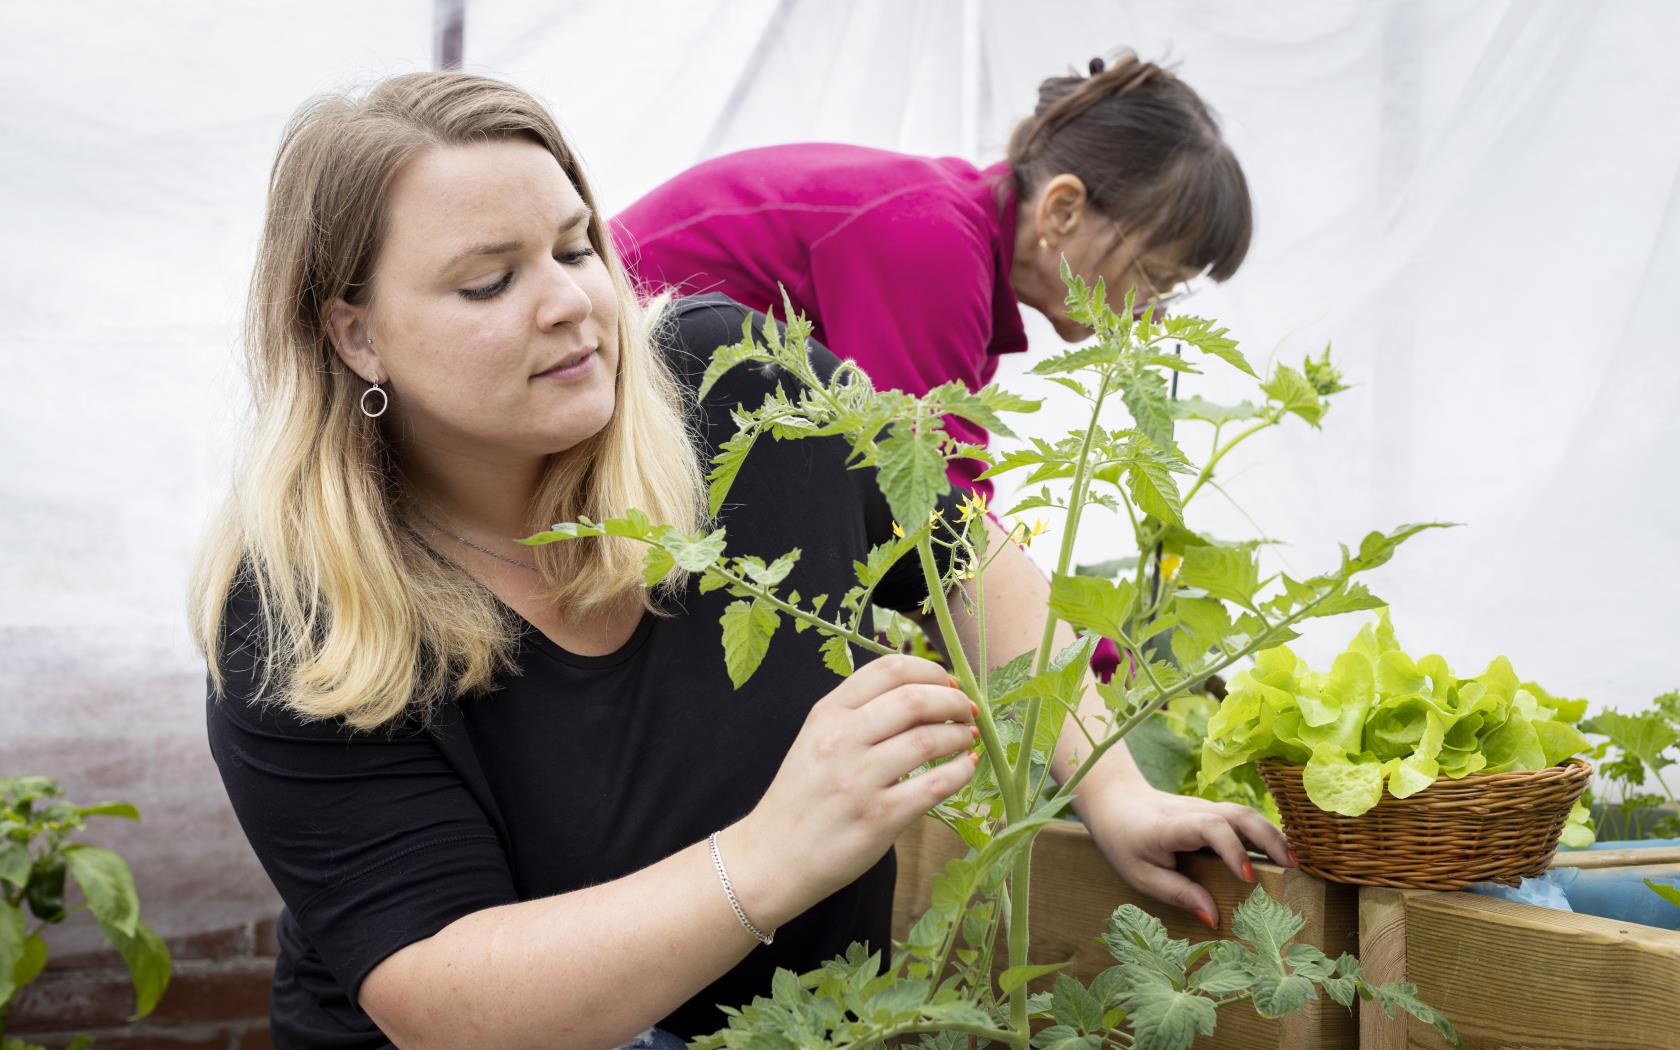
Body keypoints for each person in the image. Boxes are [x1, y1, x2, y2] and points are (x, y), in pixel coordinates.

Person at [192, 72, 1287, 1050]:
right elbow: (442, 1001)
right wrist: (773, 854)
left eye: (577, 247)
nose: (573, 301)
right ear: (355, 334)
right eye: (489, 281)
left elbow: (955, 547)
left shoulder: (735, 384)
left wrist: (1116, 792)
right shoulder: (304, 619)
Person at [612, 51, 1251, 500]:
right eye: (1155, 275)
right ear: (1062, 209)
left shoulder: (953, 236)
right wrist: (1093, 665)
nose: (1155, 310)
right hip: (594, 397)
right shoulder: (933, 245)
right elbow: (934, 507)